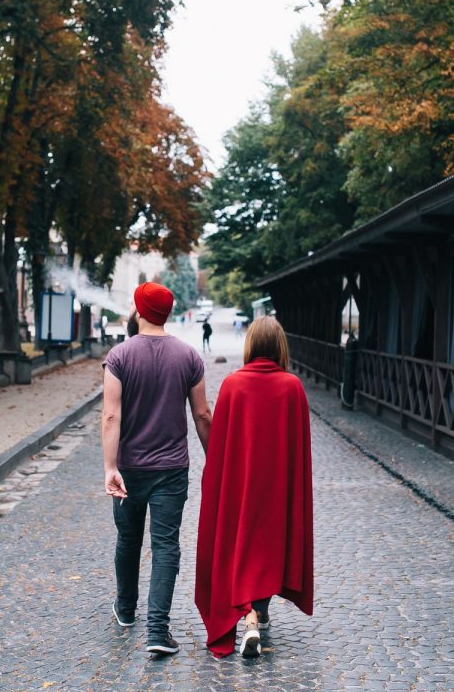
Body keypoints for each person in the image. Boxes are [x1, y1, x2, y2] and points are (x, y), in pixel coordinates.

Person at [102, 282, 212, 655]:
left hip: (129, 468)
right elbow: (201, 414)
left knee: (128, 539)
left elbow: (111, 415)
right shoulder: (188, 356)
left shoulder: (119, 356)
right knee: (166, 546)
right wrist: (215, 461)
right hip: (171, 470)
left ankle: (126, 609)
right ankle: (157, 631)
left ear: (139, 311)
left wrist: (109, 467)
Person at [195, 316, 314, 658]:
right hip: (278, 489)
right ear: (280, 346)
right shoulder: (292, 387)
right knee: (267, 549)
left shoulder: (233, 385)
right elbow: (299, 452)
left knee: (243, 545)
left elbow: (221, 446)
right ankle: (254, 616)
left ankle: (250, 616)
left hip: (241, 485)